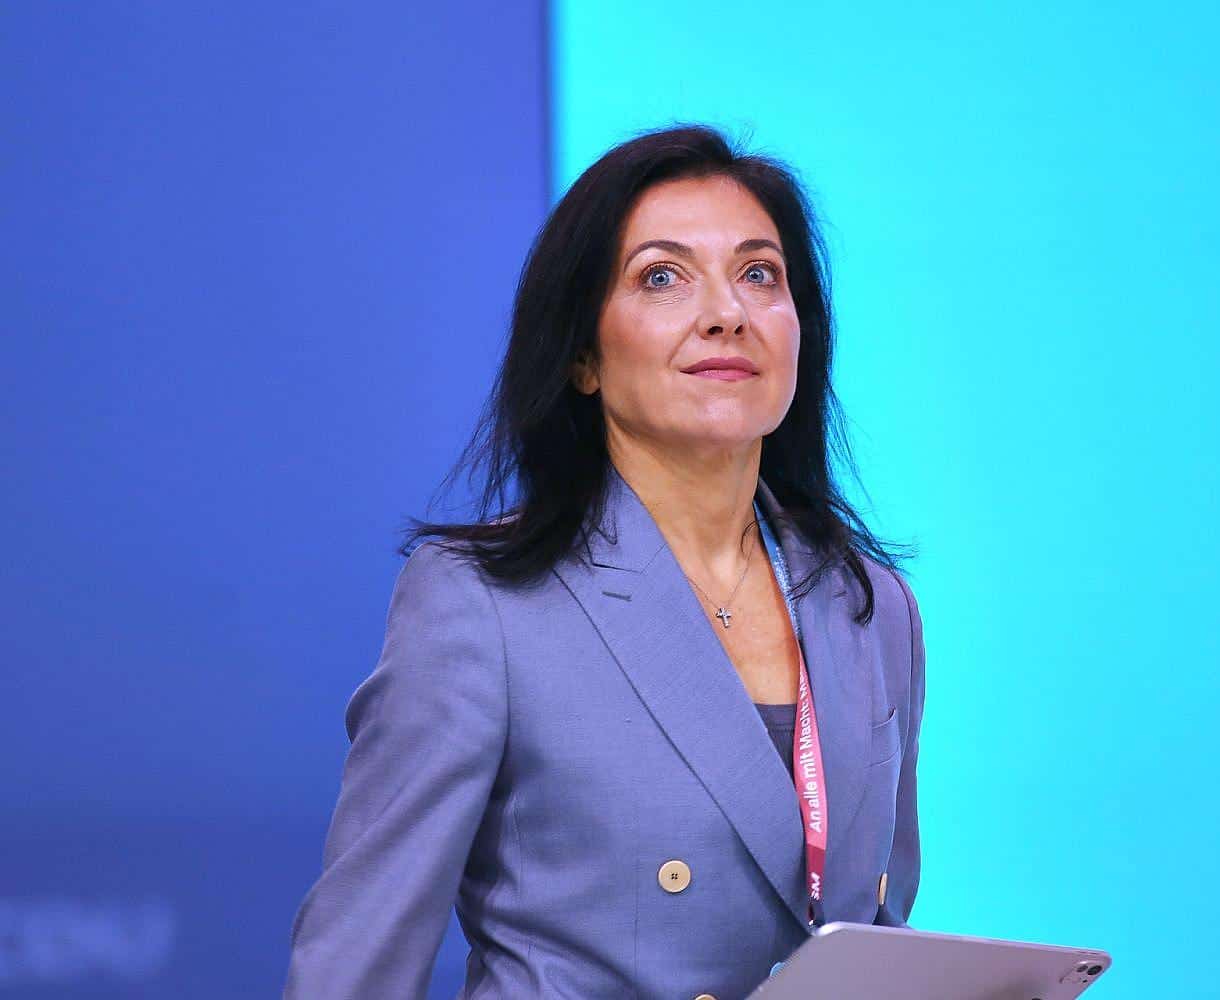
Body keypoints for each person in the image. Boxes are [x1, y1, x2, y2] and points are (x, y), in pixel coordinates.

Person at [282, 123, 926, 1000]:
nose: (727, 313)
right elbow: (357, 965)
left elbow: (874, 943)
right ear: (583, 355)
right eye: (662, 277)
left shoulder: (871, 606)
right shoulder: (484, 603)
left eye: (759, 274)